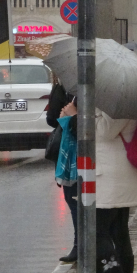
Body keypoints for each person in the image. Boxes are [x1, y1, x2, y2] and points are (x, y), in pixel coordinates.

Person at [92, 108, 137, 273]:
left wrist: (83, 115)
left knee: (97, 231)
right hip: (116, 175)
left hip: (111, 178)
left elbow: (106, 131)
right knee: (119, 232)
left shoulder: (119, 103)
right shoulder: (125, 99)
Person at [46, 79, 78, 263]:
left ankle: (80, 245)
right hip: (85, 153)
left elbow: (52, 119)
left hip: (74, 150)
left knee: (74, 198)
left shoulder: (68, 86)